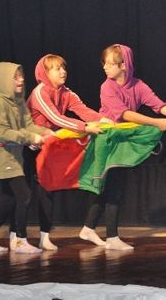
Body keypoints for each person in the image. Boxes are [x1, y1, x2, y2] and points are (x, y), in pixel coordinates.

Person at [79, 44, 166, 250]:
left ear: (124, 65)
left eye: (110, 64)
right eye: (104, 63)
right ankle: (111, 237)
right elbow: (125, 114)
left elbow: (160, 106)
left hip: (123, 140)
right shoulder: (107, 87)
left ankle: (88, 228)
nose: (105, 67)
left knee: (111, 186)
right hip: (107, 140)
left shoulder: (138, 85)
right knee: (111, 186)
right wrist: (157, 123)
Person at [23, 54, 110, 251]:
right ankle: (16, 236)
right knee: (23, 195)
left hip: (47, 147)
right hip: (28, 148)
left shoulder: (66, 92)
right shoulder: (40, 92)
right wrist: (85, 127)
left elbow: (83, 110)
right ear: (45, 73)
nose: (63, 72)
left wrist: (104, 121)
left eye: (63, 68)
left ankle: (44, 237)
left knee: (48, 188)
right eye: (57, 69)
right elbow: (56, 118)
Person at [0, 62, 52, 253]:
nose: (21, 80)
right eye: (15, 77)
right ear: (3, 80)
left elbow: (28, 124)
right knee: (24, 195)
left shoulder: (18, 100)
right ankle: (20, 241)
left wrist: (44, 131)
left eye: (21, 76)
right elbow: (2, 132)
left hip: (14, 154)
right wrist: (30, 137)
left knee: (8, 200)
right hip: (1, 155)